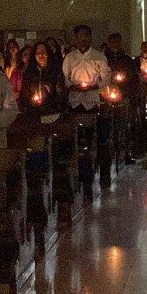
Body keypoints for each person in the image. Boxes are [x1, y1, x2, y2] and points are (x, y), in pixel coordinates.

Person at [62, 25, 112, 195]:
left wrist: (93, 86)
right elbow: (65, 77)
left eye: (86, 36)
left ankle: (91, 174)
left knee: (90, 140)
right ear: (75, 39)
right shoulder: (70, 57)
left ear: (90, 37)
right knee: (78, 140)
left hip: (91, 102)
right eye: (79, 36)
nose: (83, 39)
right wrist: (73, 86)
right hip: (75, 102)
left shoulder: (99, 56)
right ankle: (81, 175)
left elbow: (106, 78)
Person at [105, 33, 140, 163]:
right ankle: (110, 152)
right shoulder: (104, 58)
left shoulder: (127, 59)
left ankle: (125, 152)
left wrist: (131, 93)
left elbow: (134, 77)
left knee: (124, 125)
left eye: (117, 42)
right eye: (112, 42)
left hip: (124, 95)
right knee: (109, 125)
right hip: (107, 97)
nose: (115, 44)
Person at [18, 42, 65, 117]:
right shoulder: (29, 72)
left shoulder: (55, 72)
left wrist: (49, 94)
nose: (41, 55)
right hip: (32, 113)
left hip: (50, 113)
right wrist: (32, 102)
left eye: (43, 52)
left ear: (48, 54)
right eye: (38, 52)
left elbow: (61, 95)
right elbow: (24, 94)